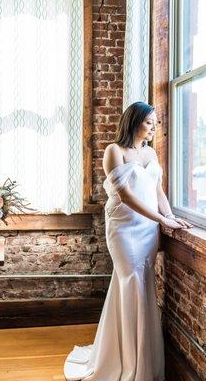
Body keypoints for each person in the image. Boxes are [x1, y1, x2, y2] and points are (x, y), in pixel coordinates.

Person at [64, 101, 193, 381]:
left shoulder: (150, 152)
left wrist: (169, 215)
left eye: (155, 123)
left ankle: (141, 360)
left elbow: (156, 188)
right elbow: (126, 196)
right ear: (134, 121)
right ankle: (124, 361)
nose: (154, 128)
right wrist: (161, 220)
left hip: (147, 228)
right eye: (149, 122)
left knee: (143, 286)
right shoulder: (115, 150)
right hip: (123, 228)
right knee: (129, 282)